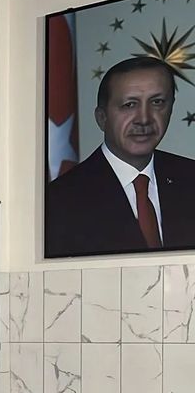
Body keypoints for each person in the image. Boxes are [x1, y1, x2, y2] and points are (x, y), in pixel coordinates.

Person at [46, 56, 195, 257]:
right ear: (102, 118)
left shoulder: (190, 178)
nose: (144, 119)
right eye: (129, 105)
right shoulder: (58, 202)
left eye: (157, 102)